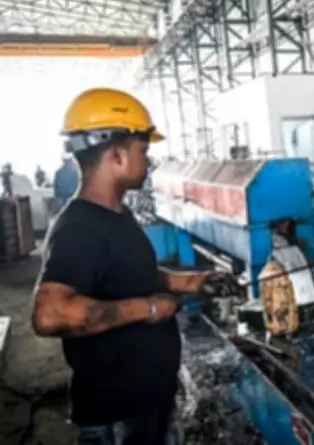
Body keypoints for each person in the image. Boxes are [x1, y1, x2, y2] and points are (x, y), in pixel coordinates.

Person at [31, 88, 242, 445]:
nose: (149, 161)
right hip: (118, 416)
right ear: (116, 154)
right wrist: (149, 308)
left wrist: (193, 282)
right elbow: (49, 314)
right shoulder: (80, 228)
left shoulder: (115, 213)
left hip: (148, 400)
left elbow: (130, 275)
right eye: (143, 151)